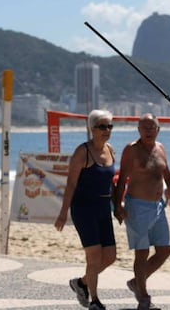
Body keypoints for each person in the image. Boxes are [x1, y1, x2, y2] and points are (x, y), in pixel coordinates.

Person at [113, 113, 170, 310]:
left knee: (164, 251)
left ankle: (136, 283)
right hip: (137, 206)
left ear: (158, 130)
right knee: (141, 253)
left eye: (152, 127)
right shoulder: (131, 150)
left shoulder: (160, 148)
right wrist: (118, 206)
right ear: (139, 130)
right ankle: (144, 298)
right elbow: (121, 179)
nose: (149, 130)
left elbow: (167, 176)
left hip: (158, 206)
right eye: (145, 127)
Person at [54, 109, 117, 310]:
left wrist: (118, 206)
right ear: (92, 129)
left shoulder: (111, 150)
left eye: (109, 126)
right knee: (94, 256)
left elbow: (111, 183)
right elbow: (71, 184)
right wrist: (63, 212)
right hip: (84, 208)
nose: (106, 130)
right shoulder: (83, 152)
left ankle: (81, 283)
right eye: (102, 127)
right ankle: (94, 300)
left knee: (110, 256)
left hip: (103, 208)